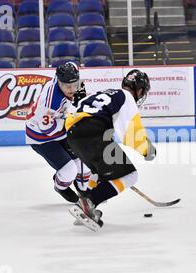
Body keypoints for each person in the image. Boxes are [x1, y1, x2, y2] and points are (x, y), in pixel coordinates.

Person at [65, 69, 156, 230]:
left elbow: (78, 111)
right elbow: (131, 134)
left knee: (98, 172)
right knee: (130, 175)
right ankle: (90, 201)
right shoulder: (127, 97)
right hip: (92, 134)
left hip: (73, 135)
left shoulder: (105, 93)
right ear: (139, 90)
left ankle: (84, 203)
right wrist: (147, 150)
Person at [25, 62, 91, 203]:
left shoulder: (67, 79)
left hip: (58, 125)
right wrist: (72, 124)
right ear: (59, 83)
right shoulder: (49, 102)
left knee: (84, 162)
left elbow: (71, 65)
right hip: (41, 137)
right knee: (69, 171)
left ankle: (83, 191)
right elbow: (47, 129)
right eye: (68, 86)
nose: (73, 89)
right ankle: (60, 186)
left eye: (75, 84)